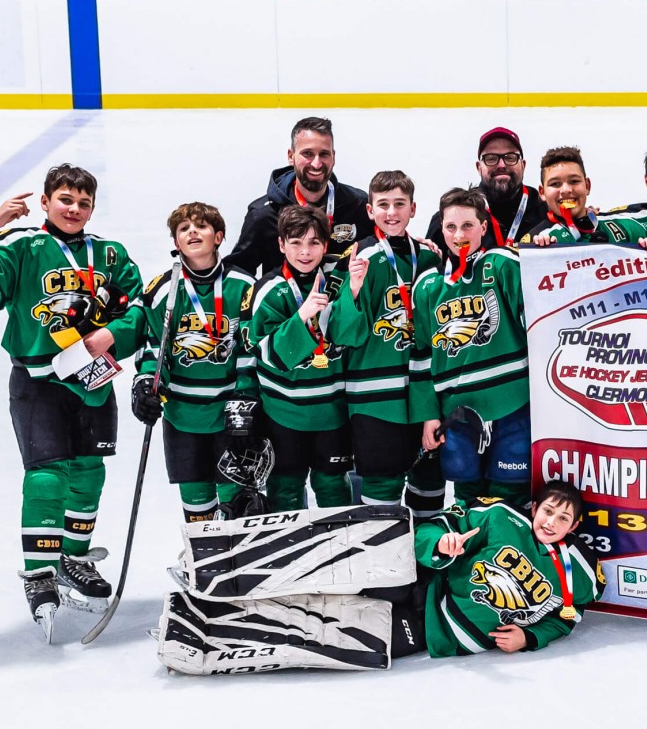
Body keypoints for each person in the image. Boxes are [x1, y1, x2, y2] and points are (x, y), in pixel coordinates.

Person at [0, 164, 144, 640]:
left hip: (93, 379)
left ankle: (73, 557)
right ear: (45, 202)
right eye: (65, 200)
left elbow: (139, 309)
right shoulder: (22, 247)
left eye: (83, 203)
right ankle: (39, 572)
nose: (74, 209)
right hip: (38, 381)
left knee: (89, 473)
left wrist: (109, 336)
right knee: (46, 476)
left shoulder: (110, 253)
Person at [128, 202, 260, 524]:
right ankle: (202, 552)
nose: (192, 232)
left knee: (236, 502)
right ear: (176, 242)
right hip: (182, 415)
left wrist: (245, 397)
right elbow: (153, 345)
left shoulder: (243, 285)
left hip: (229, 414)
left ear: (219, 237)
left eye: (201, 226)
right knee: (197, 503)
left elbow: (250, 346)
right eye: (184, 229)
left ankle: (239, 553)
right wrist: (145, 384)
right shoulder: (163, 290)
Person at [330, 172, 445, 520]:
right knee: (382, 490)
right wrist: (352, 290)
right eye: (383, 205)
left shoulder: (429, 258)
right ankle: (382, 556)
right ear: (369, 210)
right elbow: (342, 334)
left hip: (424, 395)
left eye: (399, 204)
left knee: (430, 483)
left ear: (413, 209)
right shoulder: (358, 258)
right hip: (375, 400)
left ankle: (428, 552)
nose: (391, 212)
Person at [411, 188, 531, 508]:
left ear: (483, 227)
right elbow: (421, 357)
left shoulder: (503, 264)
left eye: (467, 226)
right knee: (465, 499)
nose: (459, 235)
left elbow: (535, 327)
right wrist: (428, 415)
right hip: (457, 415)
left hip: (512, 406)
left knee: (511, 499)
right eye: (451, 227)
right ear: (441, 230)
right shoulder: (427, 287)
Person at [410, 481, 602, 656]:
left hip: (445, 640)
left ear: (573, 526)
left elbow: (568, 616)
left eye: (563, 518)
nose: (552, 522)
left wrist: (529, 636)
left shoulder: (579, 569)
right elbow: (429, 527)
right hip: (425, 597)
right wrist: (441, 542)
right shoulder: (500, 516)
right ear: (535, 508)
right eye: (548, 511)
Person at [247, 205, 355, 512]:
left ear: (325, 244)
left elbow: (376, 248)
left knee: (333, 485)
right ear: (281, 245)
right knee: (285, 487)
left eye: (313, 243)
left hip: (332, 411)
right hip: (283, 413)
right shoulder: (269, 289)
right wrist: (302, 314)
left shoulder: (338, 276)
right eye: (295, 243)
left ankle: (338, 541)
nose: (305, 252)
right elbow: (267, 353)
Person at [226, 116, 373, 276]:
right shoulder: (264, 214)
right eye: (307, 154)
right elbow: (237, 271)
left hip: (344, 293)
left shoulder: (358, 204)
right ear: (291, 156)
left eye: (324, 154)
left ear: (333, 156)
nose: (316, 164)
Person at [425, 126, 545, 258]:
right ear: (479, 167)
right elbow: (430, 266)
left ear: (523, 165)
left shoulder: (544, 209)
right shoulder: (452, 217)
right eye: (491, 158)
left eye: (510, 157)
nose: (501, 165)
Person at [520, 147, 605, 246]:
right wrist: (537, 251)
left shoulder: (619, 220)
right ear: (542, 193)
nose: (566, 190)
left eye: (574, 181)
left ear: (587, 186)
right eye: (555, 184)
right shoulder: (534, 242)